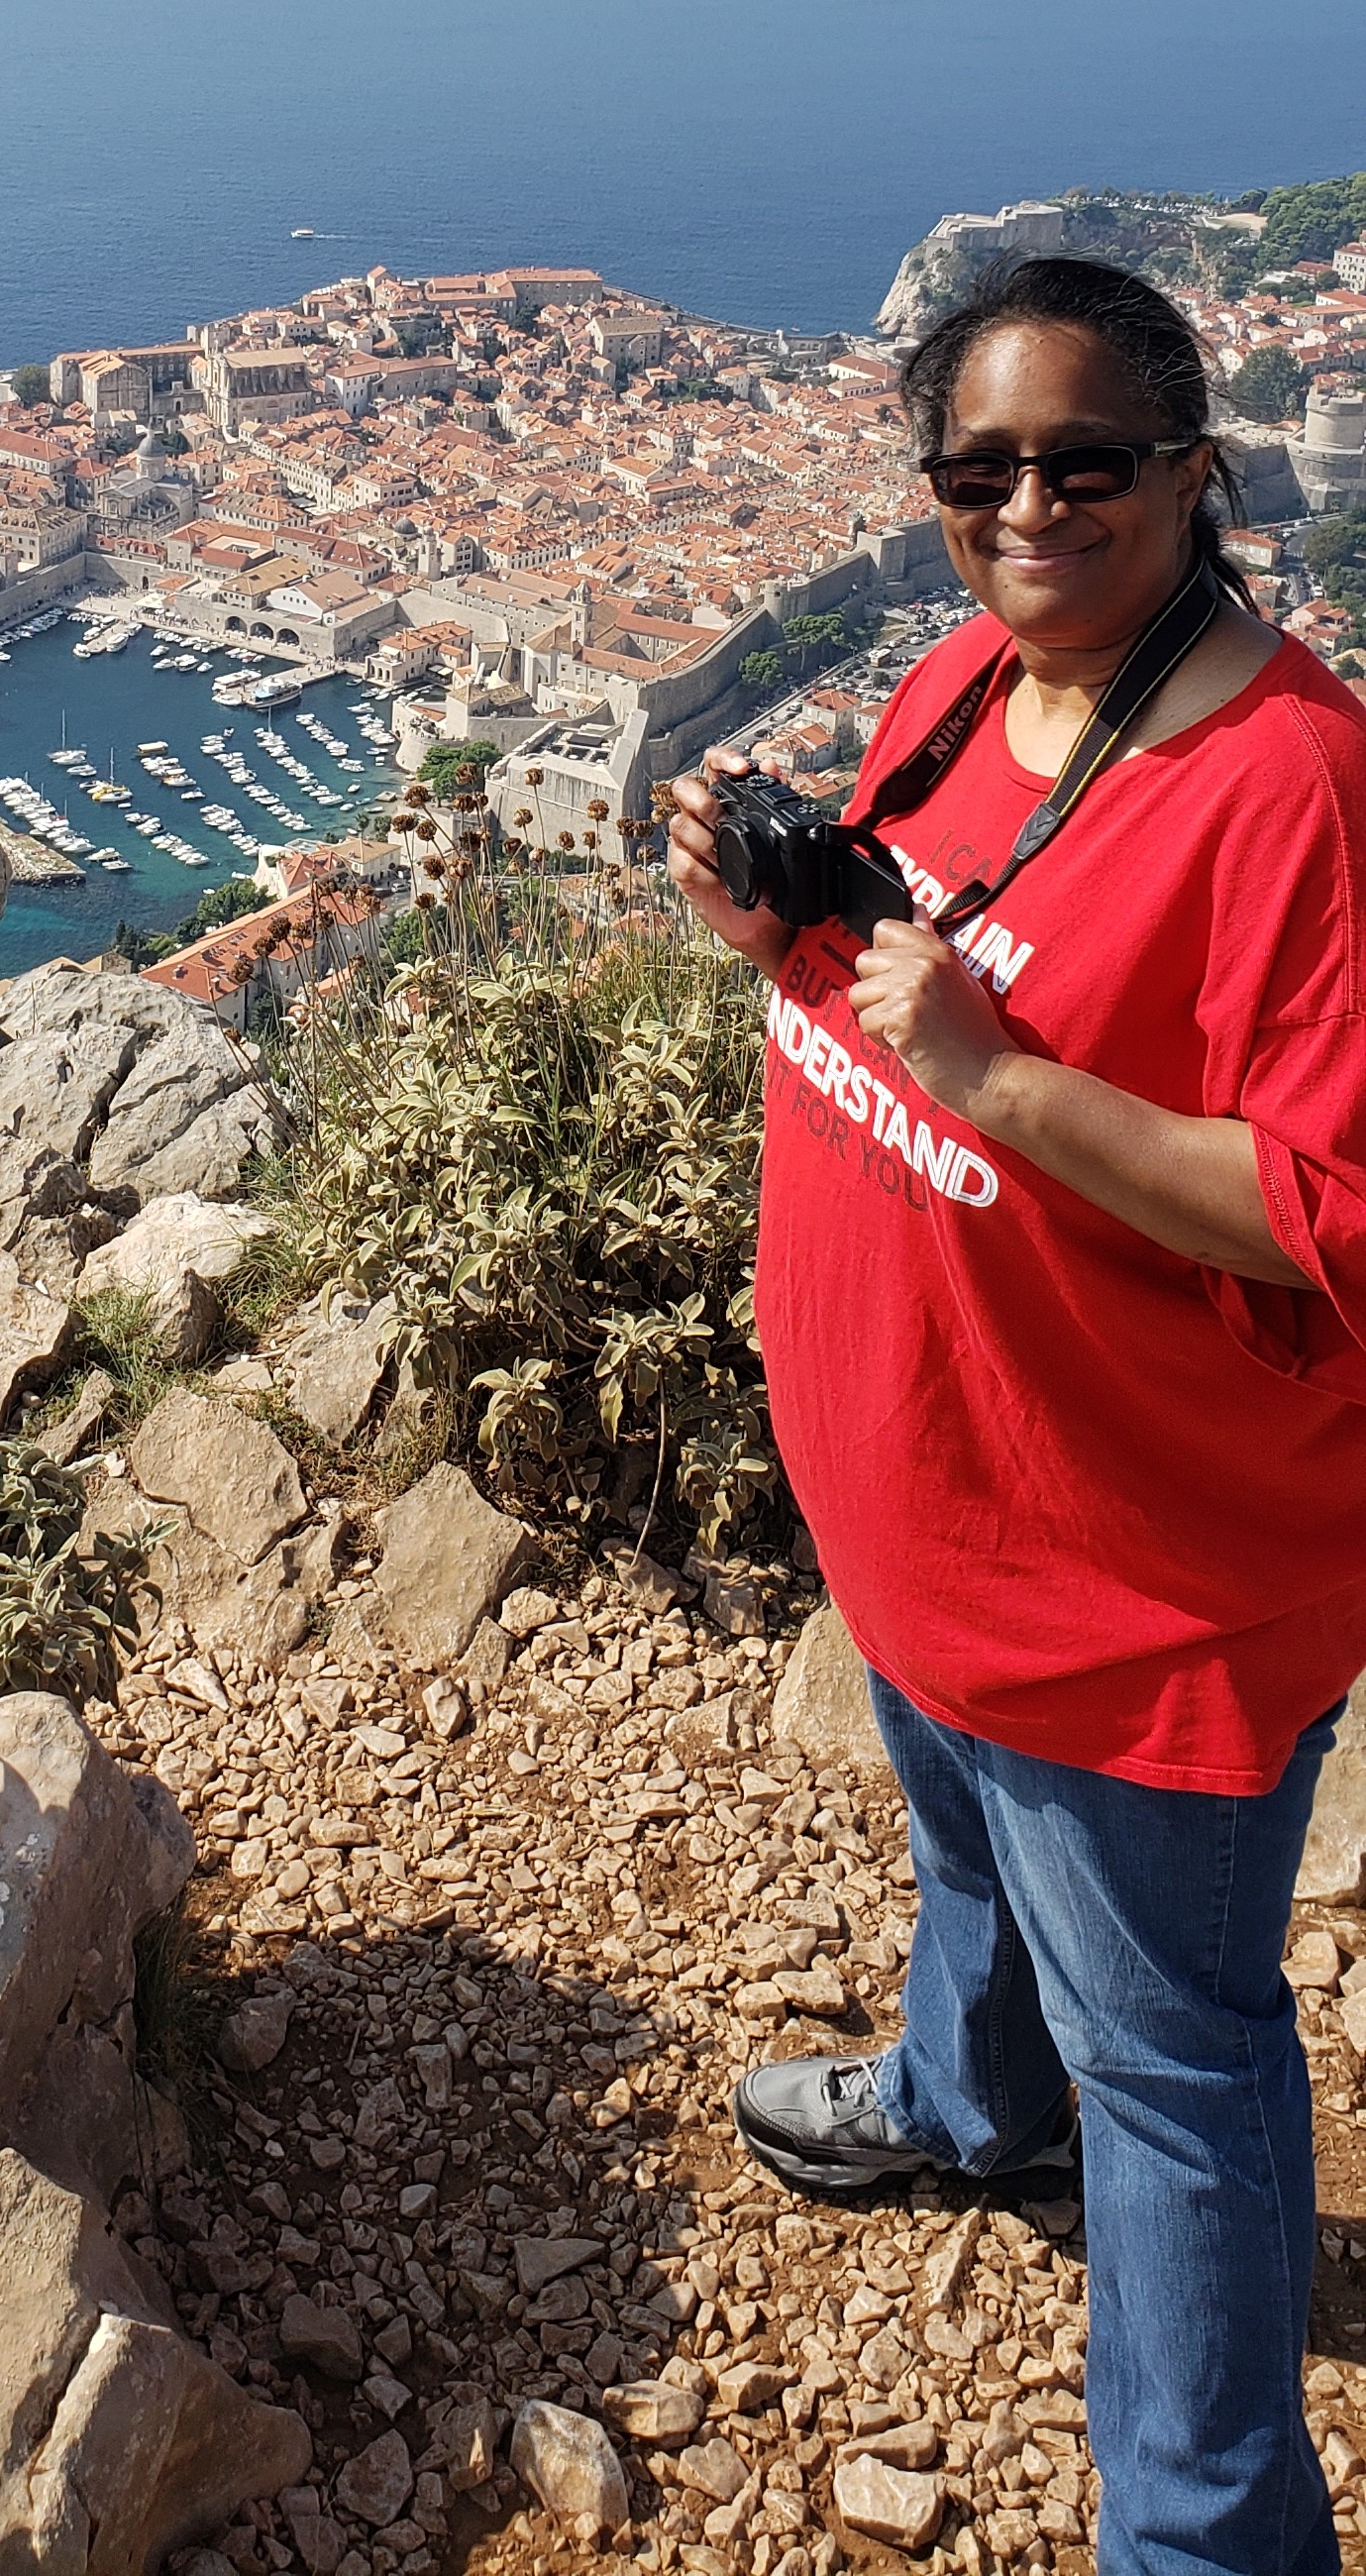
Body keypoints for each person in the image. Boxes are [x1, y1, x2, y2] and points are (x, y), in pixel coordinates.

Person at [670, 255, 1366, 2576]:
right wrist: (764, 916)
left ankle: (1205, 2537)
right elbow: (895, 973)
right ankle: (968, 2105)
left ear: (1194, 470)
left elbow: (1323, 1210)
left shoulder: (1291, 788)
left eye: (1084, 463)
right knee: (960, 1851)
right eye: (978, 472)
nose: (1027, 509)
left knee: (1171, 2068)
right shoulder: (967, 678)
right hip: (926, 1510)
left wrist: (1001, 1081)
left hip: (1129, 1579)